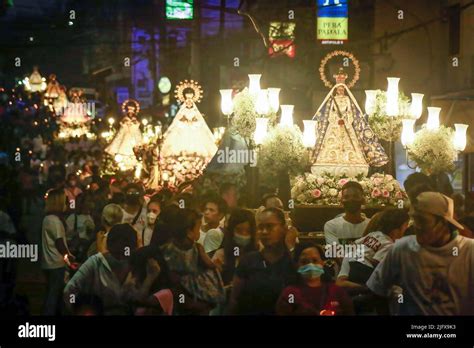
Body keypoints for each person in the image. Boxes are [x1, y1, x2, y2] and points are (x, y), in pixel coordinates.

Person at [367, 192, 474, 315]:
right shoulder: (401, 249)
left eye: (422, 220)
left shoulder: (469, 251)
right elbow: (377, 290)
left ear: (444, 223)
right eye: (414, 219)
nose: (416, 226)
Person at [228, 208, 296, 315]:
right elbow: (234, 300)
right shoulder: (248, 261)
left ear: (284, 228)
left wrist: (291, 248)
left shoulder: (294, 260)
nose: (264, 232)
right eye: (260, 227)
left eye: (270, 226)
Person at [64, 224, 140, 315]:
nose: (120, 258)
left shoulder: (135, 265)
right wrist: (77, 310)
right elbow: (69, 290)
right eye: (116, 253)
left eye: (125, 253)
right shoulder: (95, 262)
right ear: (109, 246)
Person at [160, 208, 224, 315]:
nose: (199, 231)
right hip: (191, 296)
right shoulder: (197, 249)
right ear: (189, 232)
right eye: (198, 228)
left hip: (173, 298)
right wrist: (216, 266)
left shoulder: (165, 248)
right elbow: (209, 265)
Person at [337, 208, 409, 290]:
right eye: (405, 227)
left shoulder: (373, 234)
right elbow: (377, 263)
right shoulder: (388, 244)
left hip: (354, 263)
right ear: (396, 231)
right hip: (364, 268)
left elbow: (354, 244)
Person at [276, 242, 354, 315]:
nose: (310, 265)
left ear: (323, 263)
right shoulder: (289, 293)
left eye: (315, 260)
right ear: (297, 265)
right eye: (304, 262)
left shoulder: (337, 291)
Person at [41, 188, 73, 315]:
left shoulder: (47, 219)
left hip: (48, 262)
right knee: (54, 295)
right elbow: (59, 242)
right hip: (56, 263)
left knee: (52, 293)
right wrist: (68, 257)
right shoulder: (54, 220)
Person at [212, 208, 259, 285]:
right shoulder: (221, 255)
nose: (243, 234)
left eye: (248, 231)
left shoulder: (260, 252)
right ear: (231, 230)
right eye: (239, 230)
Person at [324, 181, 370, 245]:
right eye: (346, 197)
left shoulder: (371, 225)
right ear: (341, 201)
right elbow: (335, 253)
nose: (351, 199)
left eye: (355, 196)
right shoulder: (331, 226)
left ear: (363, 200)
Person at [65, 193, 95, 262]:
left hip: (86, 251)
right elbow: (66, 235)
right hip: (77, 251)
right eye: (88, 201)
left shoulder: (89, 217)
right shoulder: (73, 217)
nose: (90, 204)